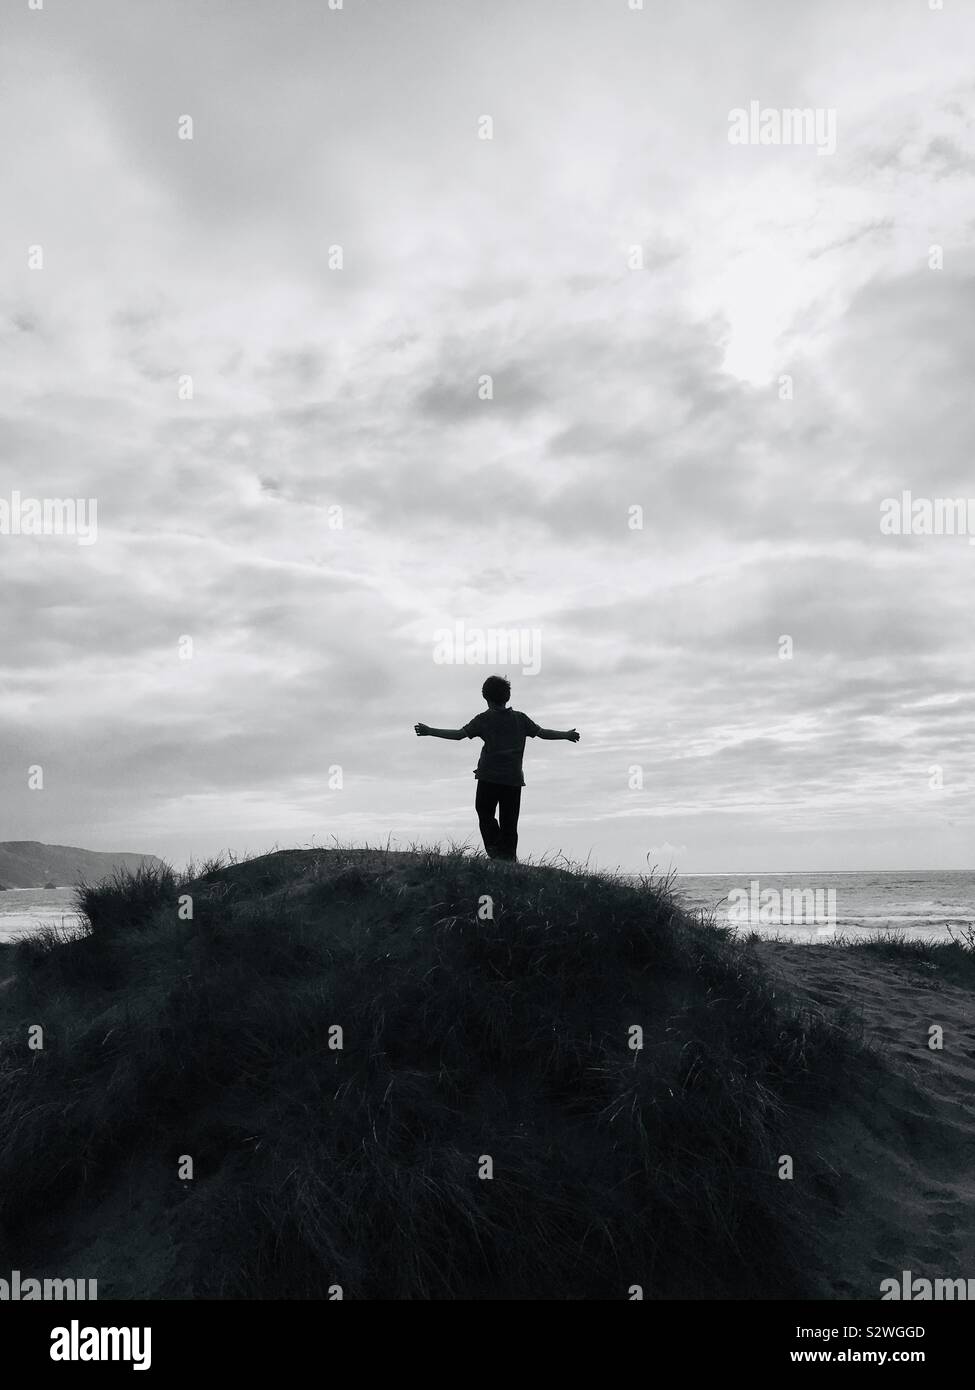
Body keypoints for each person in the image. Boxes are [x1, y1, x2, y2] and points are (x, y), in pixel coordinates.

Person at [414, 674, 580, 862]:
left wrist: (430, 731)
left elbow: (459, 735)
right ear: (507, 696)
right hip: (513, 780)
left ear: (485, 697)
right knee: (509, 823)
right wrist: (566, 735)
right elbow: (543, 733)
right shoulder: (520, 719)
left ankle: (496, 852)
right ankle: (508, 858)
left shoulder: (484, 719)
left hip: (489, 778)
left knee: (485, 814)